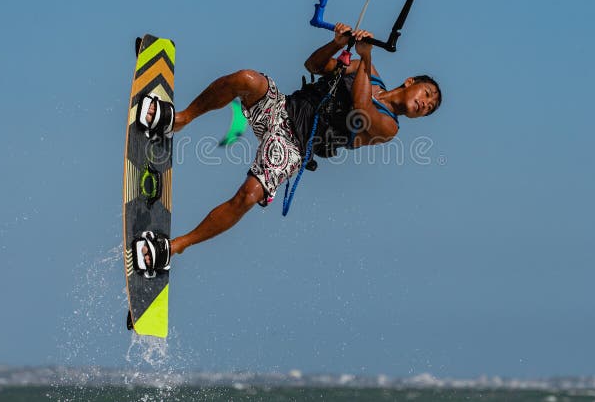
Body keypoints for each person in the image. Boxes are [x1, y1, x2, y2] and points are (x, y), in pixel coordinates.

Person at [134, 23, 441, 270]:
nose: (424, 104)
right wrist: (338, 43)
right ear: (411, 81)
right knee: (246, 79)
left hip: (293, 146)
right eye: (426, 94)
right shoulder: (366, 70)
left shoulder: (389, 128)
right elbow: (313, 64)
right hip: (281, 109)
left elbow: (361, 106)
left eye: (428, 108)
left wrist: (367, 56)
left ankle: (174, 248)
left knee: (249, 196)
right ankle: (180, 119)